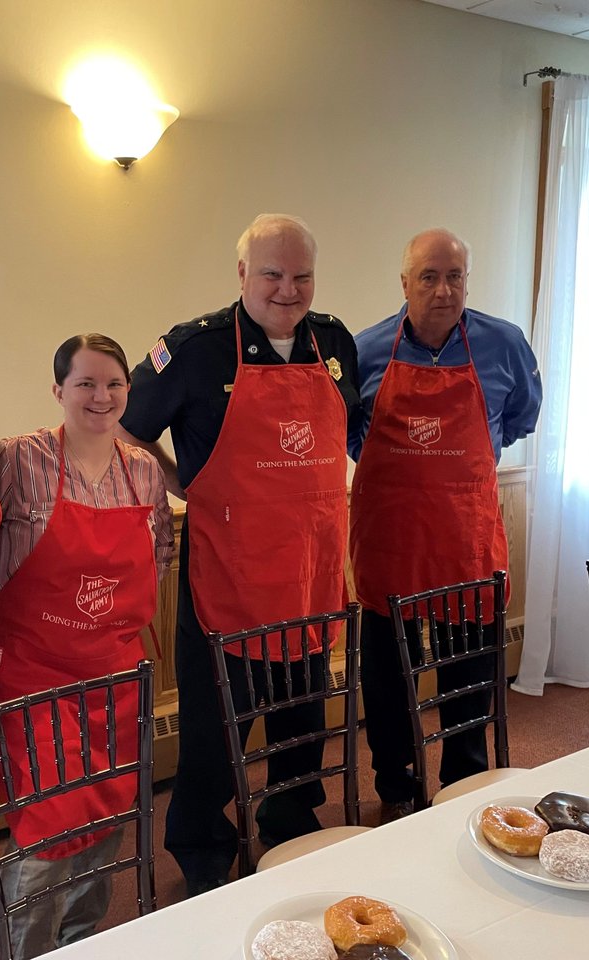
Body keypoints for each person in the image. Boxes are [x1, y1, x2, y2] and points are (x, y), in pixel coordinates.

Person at [116, 213, 361, 897]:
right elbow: (127, 432)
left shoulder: (336, 341)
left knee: (303, 719)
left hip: (310, 574)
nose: (289, 289)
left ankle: (291, 825)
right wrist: (181, 487)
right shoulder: (193, 351)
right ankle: (202, 851)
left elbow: (350, 430)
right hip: (228, 576)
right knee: (216, 735)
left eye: (302, 275)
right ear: (243, 275)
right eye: (273, 274)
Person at [0, 333, 174, 956]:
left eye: (114, 383)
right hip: (35, 674)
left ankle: (80, 943)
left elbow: (160, 555)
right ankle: (24, 950)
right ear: (58, 389)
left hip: (116, 673)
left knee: (108, 812)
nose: (101, 395)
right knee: (50, 822)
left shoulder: (142, 468)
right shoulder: (16, 459)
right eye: (86, 383)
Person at [348, 228, 541, 821]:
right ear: (404, 283)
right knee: (385, 684)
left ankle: (464, 781)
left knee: (469, 676)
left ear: (467, 281)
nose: (442, 289)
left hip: (465, 539)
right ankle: (396, 784)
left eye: (454, 276)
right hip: (391, 541)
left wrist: (469, 459)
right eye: (428, 277)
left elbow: (522, 415)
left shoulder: (504, 344)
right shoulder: (363, 351)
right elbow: (348, 428)